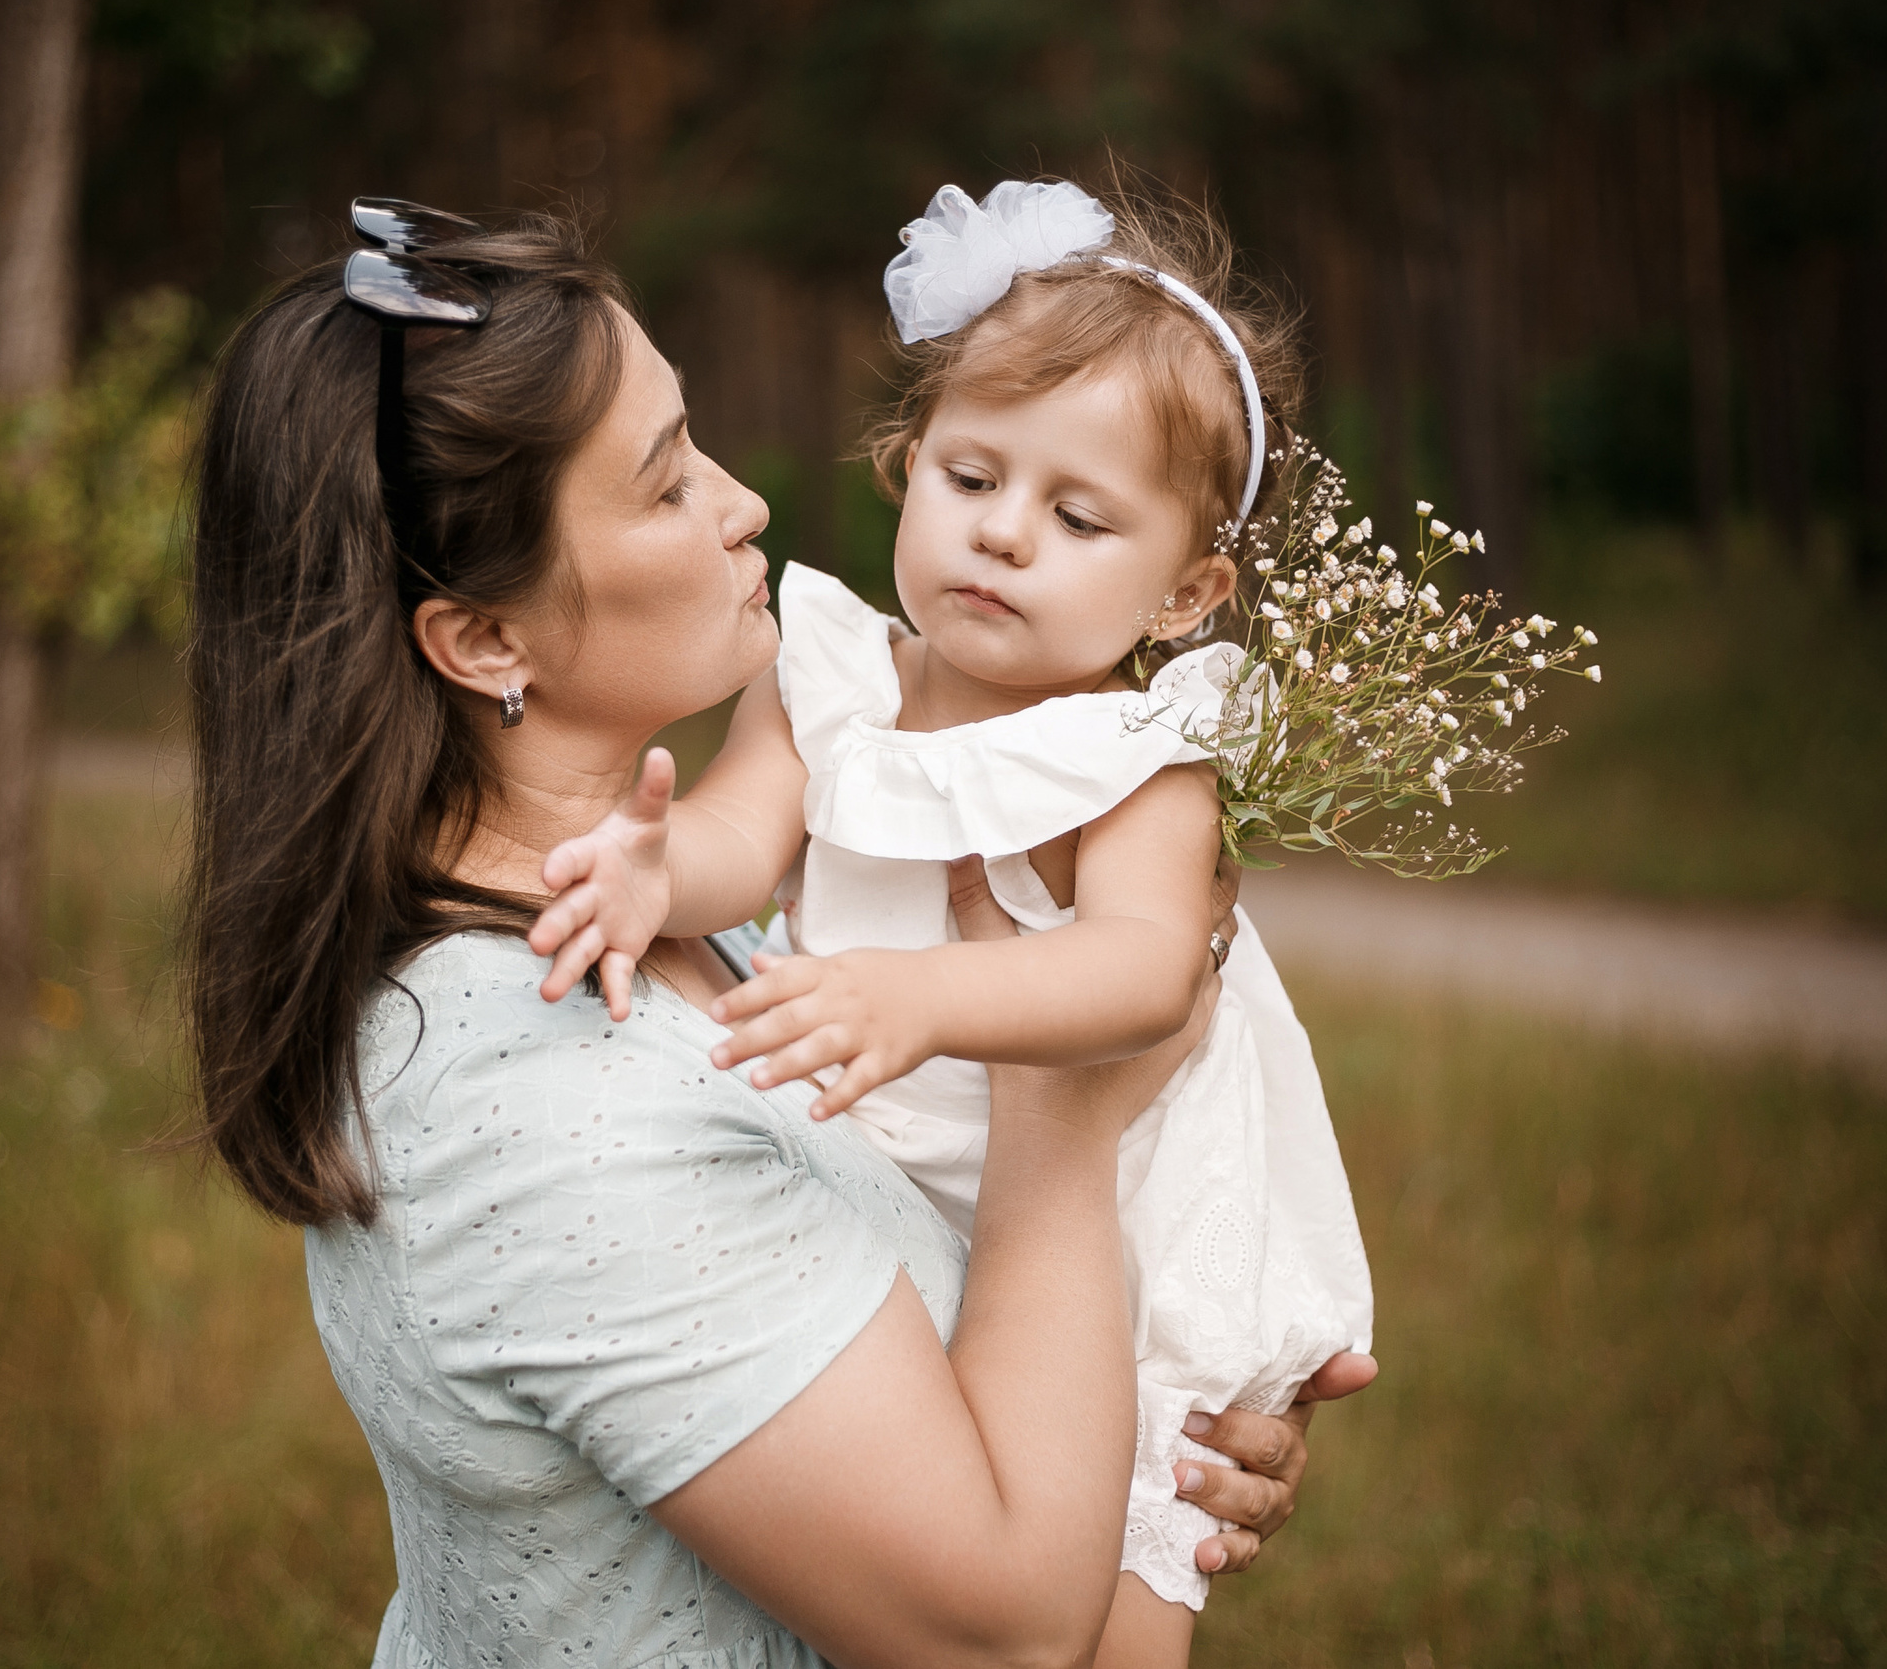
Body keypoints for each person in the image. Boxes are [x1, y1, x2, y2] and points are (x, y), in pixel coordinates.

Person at [181, 201, 1370, 1669]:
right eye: (669, 482)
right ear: (486, 638)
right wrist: (1060, 1093)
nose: (745, 502)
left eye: (701, 445)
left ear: (1188, 588)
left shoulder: (1110, 765)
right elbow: (1005, 1632)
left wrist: (1151, 1436)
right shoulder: (549, 1105)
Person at [529, 178, 1375, 1667]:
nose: (1005, 538)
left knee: (1123, 1567)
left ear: (1187, 592)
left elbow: (1143, 967)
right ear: (906, 466)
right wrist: (660, 878)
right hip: (905, 1169)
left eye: (1078, 516)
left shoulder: (1139, 756)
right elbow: (743, 831)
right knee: (931, 1511)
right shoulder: (842, 675)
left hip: (1126, 1194)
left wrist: (919, 999)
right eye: (972, 479)